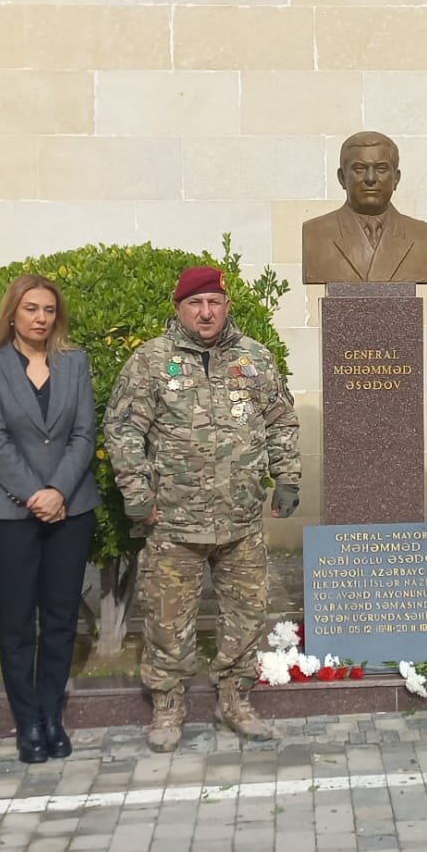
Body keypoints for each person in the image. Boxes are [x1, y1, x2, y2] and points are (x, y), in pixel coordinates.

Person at [104, 265, 301, 753]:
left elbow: (280, 420)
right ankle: (168, 707)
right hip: (173, 521)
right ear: (179, 309)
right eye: (195, 303)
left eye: (213, 302)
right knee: (167, 621)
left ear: (227, 304)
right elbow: (123, 429)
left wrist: (288, 476)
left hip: (240, 520)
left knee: (248, 615)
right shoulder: (151, 361)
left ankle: (235, 699)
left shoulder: (254, 358)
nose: (205, 312)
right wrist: (136, 493)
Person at [0, 274, 99, 764]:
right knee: (18, 620)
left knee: (62, 617)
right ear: (12, 313)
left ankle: (51, 714)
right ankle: (26, 721)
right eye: (31, 309)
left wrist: (59, 490)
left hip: (72, 507)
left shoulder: (75, 362)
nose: (41, 318)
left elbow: (84, 434)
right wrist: (35, 494)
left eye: (48, 309)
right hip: (13, 512)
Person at [301, 130, 427, 284]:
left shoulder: (419, 235)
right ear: (342, 178)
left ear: (396, 179)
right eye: (359, 169)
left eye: (381, 169)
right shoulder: (317, 233)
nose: (370, 178)